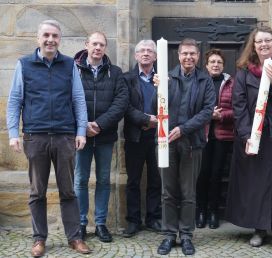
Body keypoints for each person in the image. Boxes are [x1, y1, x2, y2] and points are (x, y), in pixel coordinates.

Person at [6, 20, 91, 256]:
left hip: (65, 137)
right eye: (46, 35)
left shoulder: (69, 65)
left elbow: (78, 99)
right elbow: (14, 100)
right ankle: (39, 239)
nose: (50, 39)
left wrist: (81, 131)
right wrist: (14, 133)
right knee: (37, 192)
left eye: (54, 35)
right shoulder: (24, 64)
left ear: (59, 39)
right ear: (38, 38)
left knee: (68, 191)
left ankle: (74, 238)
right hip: (36, 137)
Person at [225, 26, 272, 256]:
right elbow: (238, 107)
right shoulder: (243, 71)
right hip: (254, 134)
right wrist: (249, 135)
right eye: (259, 41)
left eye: (268, 40)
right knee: (256, 182)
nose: (263, 45)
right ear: (254, 45)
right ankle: (259, 228)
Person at [154, 38, 216, 256]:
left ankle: (187, 235)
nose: (188, 57)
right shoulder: (166, 77)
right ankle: (169, 235)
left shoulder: (205, 79)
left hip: (192, 143)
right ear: (178, 55)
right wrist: (157, 88)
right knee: (167, 192)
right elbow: (157, 106)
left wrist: (184, 129)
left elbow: (208, 111)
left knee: (189, 192)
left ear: (198, 56)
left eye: (192, 54)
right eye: (184, 53)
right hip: (166, 143)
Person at [73, 31, 128, 243]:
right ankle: (80, 224)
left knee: (104, 180)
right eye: (94, 43)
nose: (98, 48)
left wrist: (99, 124)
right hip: (81, 136)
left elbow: (121, 102)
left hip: (105, 137)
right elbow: (67, 99)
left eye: (102, 44)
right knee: (80, 180)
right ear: (86, 44)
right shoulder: (73, 69)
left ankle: (101, 224)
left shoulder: (115, 72)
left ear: (105, 48)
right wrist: (83, 126)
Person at [122, 40, 161, 237]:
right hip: (135, 136)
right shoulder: (127, 78)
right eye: (142, 51)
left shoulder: (163, 78)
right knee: (133, 180)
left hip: (157, 136)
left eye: (150, 51)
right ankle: (133, 221)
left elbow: (171, 102)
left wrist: (158, 121)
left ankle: (154, 218)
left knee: (156, 179)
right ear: (136, 56)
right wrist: (146, 119)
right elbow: (124, 106)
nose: (146, 54)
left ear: (155, 56)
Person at [196, 49, 234, 229]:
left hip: (222, 136)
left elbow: (238, 110)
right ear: (206, 65)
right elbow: (191, 107)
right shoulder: (199, 81)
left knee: (216, 174)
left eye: (219, 62)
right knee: (202, 174)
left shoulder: (231, 84)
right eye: (212, 62)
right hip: (201, 135)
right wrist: (207, 115)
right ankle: (200, 211)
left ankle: (213, 212)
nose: (216, 64)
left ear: (223, 65)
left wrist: (221, 116)